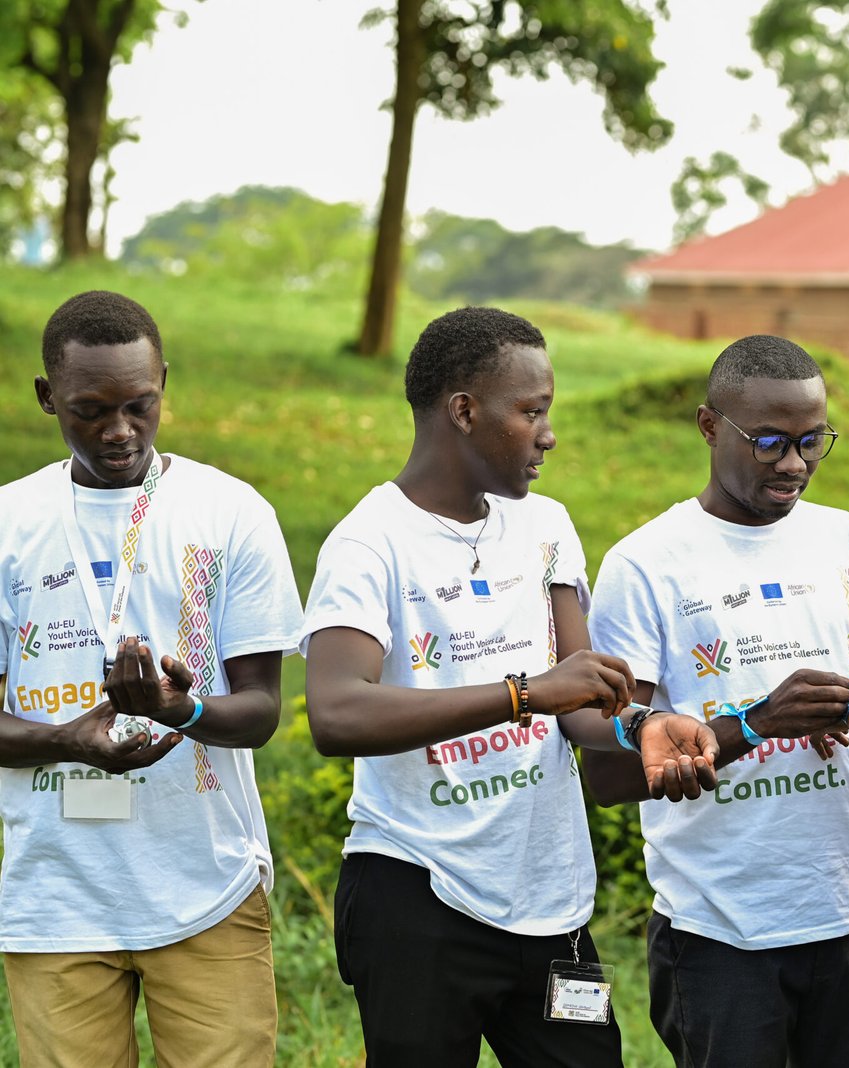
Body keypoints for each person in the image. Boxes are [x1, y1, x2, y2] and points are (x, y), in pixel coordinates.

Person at [299, 306, 719, 1068]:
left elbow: (583, 704)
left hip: (546, 893)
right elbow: (336, 712)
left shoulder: (546, 524)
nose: (549, 434)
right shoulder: (370, 543)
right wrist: (524, 694)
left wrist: (639, 728)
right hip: (416, 889)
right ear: (463, 411)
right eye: (532, 412)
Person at [584, 334, 849, 1068]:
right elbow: (605, 775)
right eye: (768, 442)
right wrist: (759, 723)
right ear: (710, 426)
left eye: (810, 442)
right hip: (721, 934)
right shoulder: (646, 565)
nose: (794, 464)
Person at [0, 290, 301, 1066]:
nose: (120, 430)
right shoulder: (11, 522)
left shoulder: (231, 513)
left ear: (164, 380)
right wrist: (69, 741)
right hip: (56, 896)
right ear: (46, 398)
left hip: (204, 887)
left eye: (140, 404)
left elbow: (262, 711)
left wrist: (182, 709)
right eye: (90, 410)